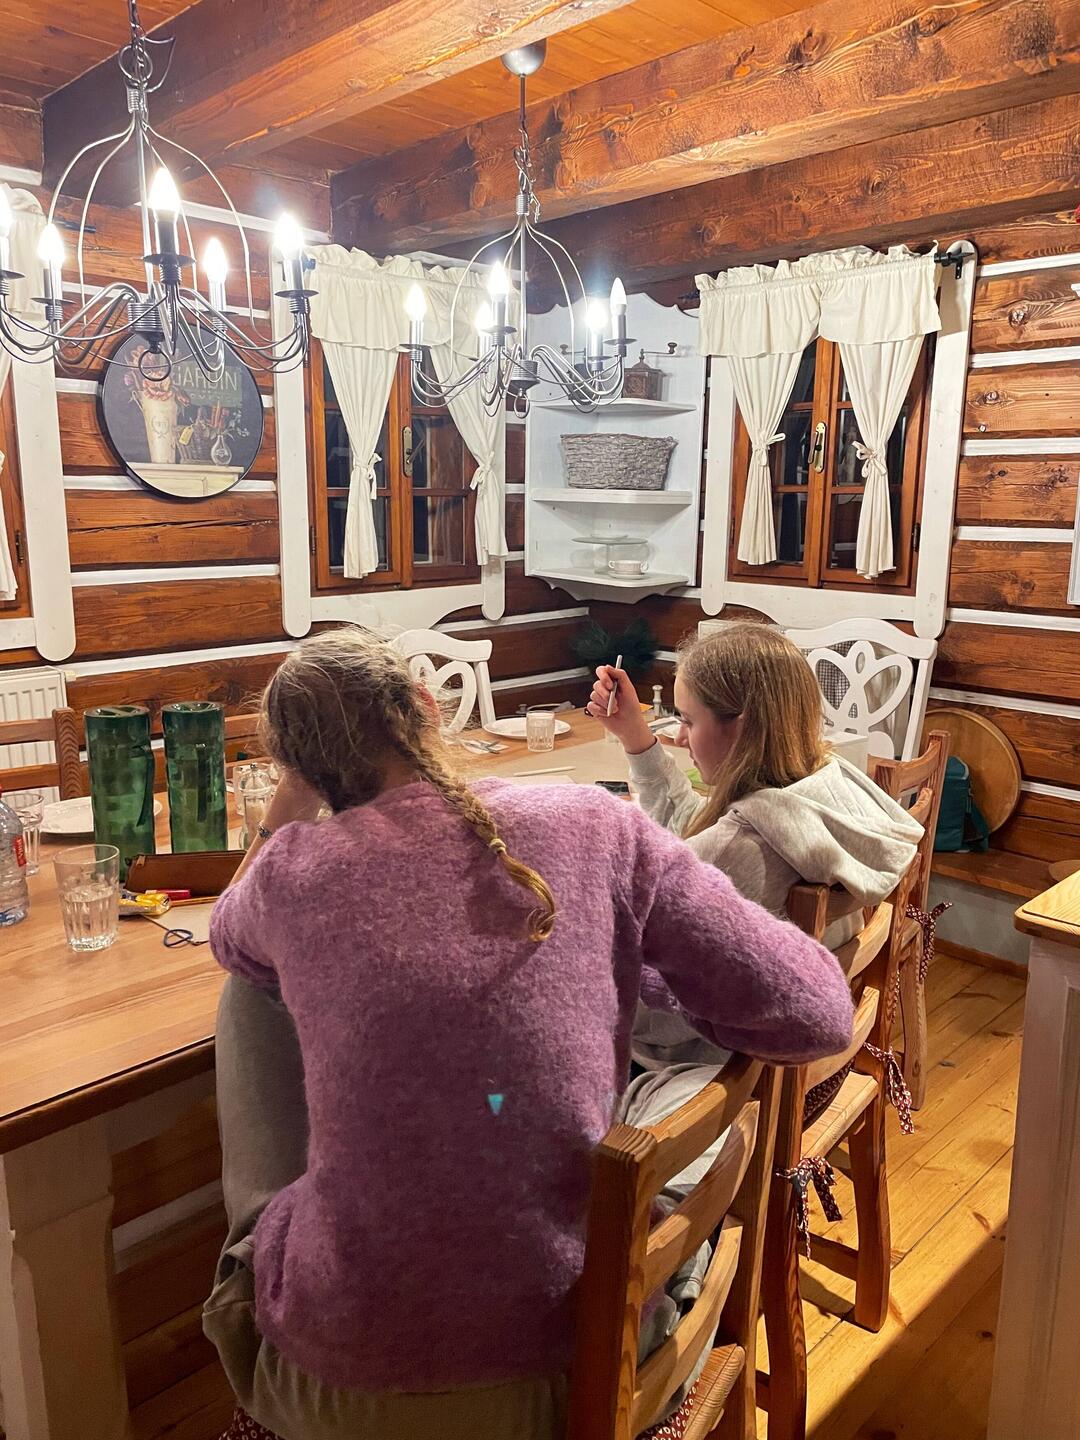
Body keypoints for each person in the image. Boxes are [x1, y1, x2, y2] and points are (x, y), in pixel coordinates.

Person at [204, 626, 853, 1440]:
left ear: (295, 767)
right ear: (426, 708)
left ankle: (316, 1234)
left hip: (346, 1385)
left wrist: (284, 817)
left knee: (248, 990)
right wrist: (626, 965)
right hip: (593, 1358)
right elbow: (818, 1011)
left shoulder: (289, 874)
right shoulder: (594, 821)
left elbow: (227, 936)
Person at [585, 620, 923, 1085]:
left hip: (708, 1071)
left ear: (741, 729)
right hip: (803, 1063)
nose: (679, 737)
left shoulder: (738, 847)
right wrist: (636, 738)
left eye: (688, 720)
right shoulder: (823, 787)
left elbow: (644, 1005)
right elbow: (696, 830)